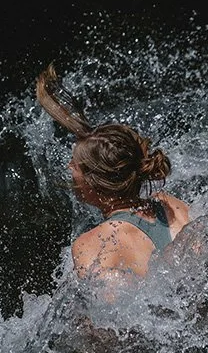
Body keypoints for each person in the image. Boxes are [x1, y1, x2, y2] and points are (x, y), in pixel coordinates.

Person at [36, 64, 190, 280]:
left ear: (95, 180)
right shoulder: (171, 206)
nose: (69, 168)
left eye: (75, 165)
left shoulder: (92, 245)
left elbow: (98, 312)